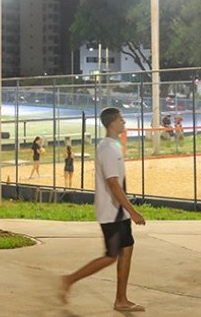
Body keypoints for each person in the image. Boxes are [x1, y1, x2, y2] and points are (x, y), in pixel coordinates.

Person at [59, 107, 146, 312]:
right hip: (113, 213)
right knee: (111, 255)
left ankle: (121, 299)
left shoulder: (111, 146)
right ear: (112, 123)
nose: (124, 122)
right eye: (121, 119)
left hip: (117, 212)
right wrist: (132, 211)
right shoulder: (108, 149)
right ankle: (69, 280)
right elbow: (113, 183)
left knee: (125, 250)